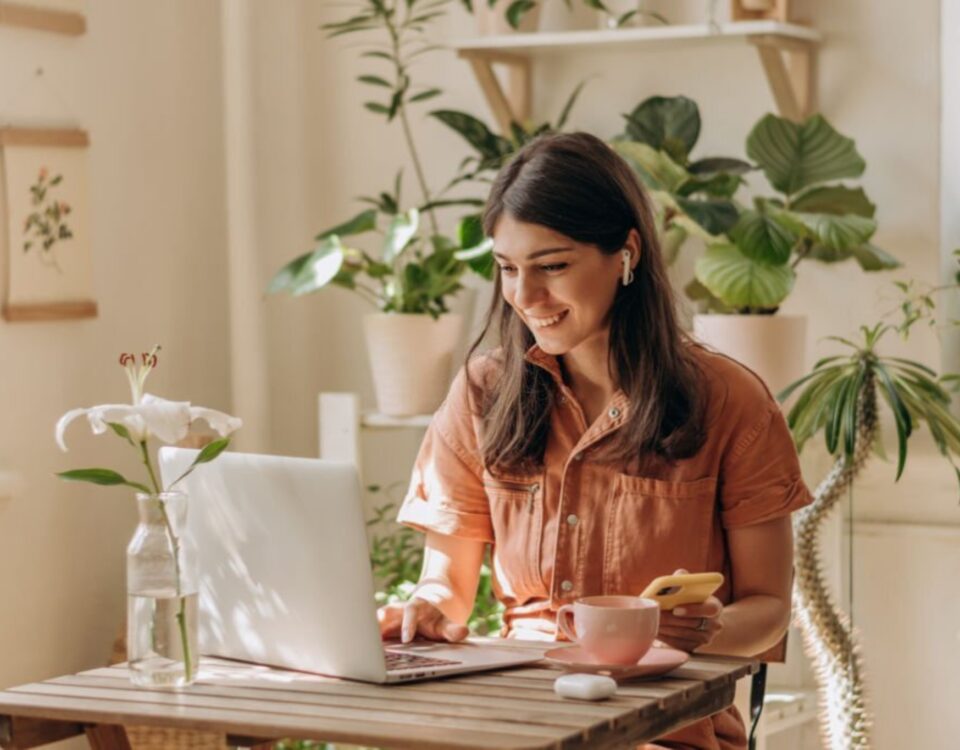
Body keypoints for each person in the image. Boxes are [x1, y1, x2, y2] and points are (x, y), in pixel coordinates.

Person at [377, 132, 813, 749]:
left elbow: (769, 604)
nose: (525, 297)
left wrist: (701, 632)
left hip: (665, 728)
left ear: (625, 254)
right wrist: (423, 610)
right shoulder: (484, 391)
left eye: (552, 266)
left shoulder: (729, 400)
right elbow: (445, 586)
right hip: (514, 718)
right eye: (507, 268)